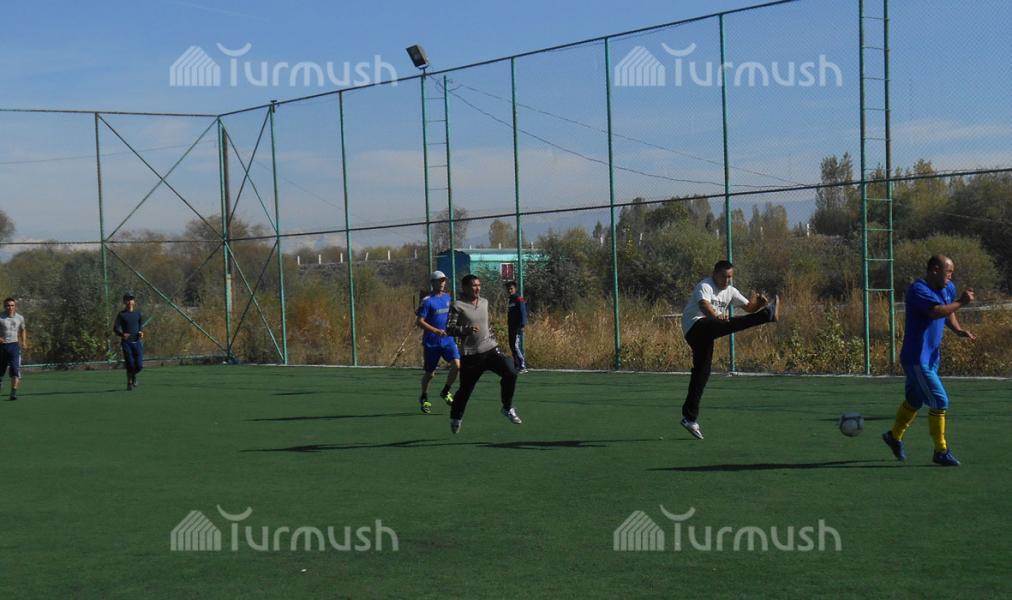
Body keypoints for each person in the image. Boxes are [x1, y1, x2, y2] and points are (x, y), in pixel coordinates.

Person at [882, 255, 976, 467]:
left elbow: (948, 311)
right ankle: (941, 450)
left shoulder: (947, 287)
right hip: (917, 359)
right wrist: (961, 302)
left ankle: (893, 436)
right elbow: (936, 311)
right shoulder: (918, 290)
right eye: (948, 271)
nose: (950, 276)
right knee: (940, 401)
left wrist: (958, 330)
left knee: (914, 401)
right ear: (934, 270)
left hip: (931, 357)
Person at [679, 260, 780, 440]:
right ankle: (767, 315)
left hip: (708, 332)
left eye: (730, 277)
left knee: (702, 373)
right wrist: (716, 316)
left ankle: (689, 418)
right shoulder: (705, 285)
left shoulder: (731, 291)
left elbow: (749, 308)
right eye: (724, 276)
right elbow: (704, 306)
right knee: (728, 323)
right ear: (715, 273)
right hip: (695, 327)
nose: (727, 280)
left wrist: (759, 304)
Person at [445, 274, 521, 433]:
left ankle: (507, 407)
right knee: (465, 391)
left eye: (479, 285)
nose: (477, 288)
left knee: (511, 372)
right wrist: (465, 330)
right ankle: (456, 417)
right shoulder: (457, 306)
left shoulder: (484, 302)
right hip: (471, 355)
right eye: (474, 285)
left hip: (490, 349)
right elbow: (449, 329)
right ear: (465, 288)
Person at [415, 271, 460, 414]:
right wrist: (435, 331)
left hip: (448, 340)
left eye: (443, 280)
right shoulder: (427, 301)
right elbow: (419, 321)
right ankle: (424, 397)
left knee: (457, 365)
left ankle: (446, 391)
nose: (442, 283)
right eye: (439, 281)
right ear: (432, 283)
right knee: (430, 374)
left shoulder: (447, 297)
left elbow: (453, 315)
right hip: (431, 343)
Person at [114, 292, 145, 391]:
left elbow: (140, 325)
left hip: (137, 343)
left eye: (131, 299)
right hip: (127, 343)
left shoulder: (138, 314)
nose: (130, 301)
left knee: (139, 366)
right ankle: (129, 382)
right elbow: (115, 328)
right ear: (124, 302)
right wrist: (122, 334)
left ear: (134, 302)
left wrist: (141, 332)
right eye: (127, 299)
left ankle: (133, 376)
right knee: (130, 364)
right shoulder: (121, 315)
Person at [0, 297, 27, 401]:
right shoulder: (1, 317)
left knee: (15, 369)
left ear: (15, 306)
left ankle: (13, 392)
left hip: (14, 346)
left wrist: (24, 342)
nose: (10, 307)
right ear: (4, 306)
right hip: (2, 347)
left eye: (12, 305)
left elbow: (23, 329)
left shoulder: (20, 317)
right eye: (8, 305)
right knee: (1, 370)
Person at [504, 280, 528, 373]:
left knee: (515, 345)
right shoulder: (511, 300)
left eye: (511, 288)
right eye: (508, 289)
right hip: (511, 326)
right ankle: (517, 365)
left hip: (517, 327)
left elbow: (523, 312)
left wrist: (522, 325)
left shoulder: (518, 299)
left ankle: (522, 366)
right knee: (512, 346)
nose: (509, 290)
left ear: (515, 289)